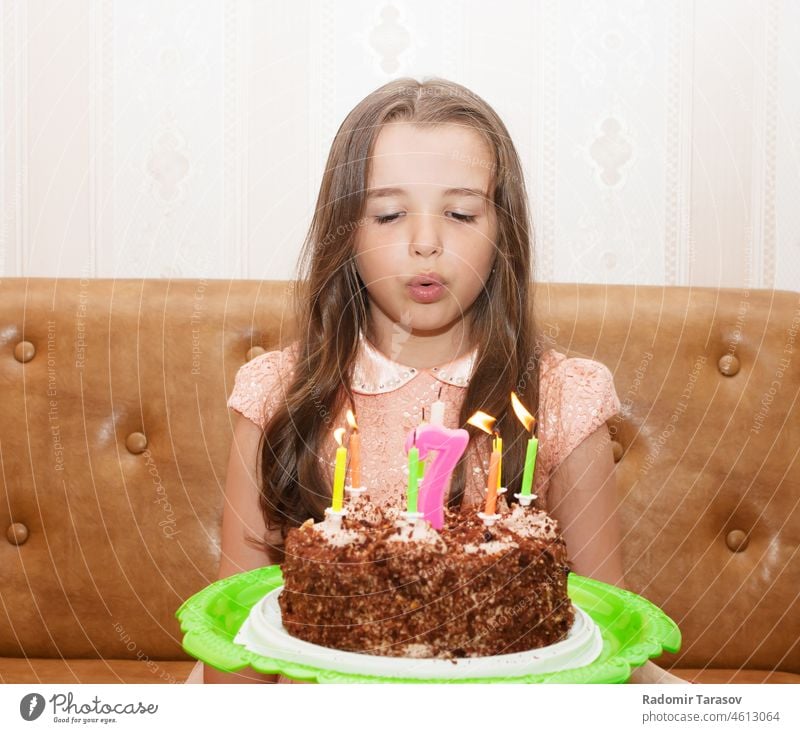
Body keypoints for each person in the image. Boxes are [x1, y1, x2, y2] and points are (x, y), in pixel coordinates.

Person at [189, 77, 687, 685]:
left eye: (460, 213)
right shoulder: (276, 397)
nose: (426, 243)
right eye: (389, 213)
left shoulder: (562, 400)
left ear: (503, 230)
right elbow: (237, 654)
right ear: (346, 230)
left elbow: (605, 642)